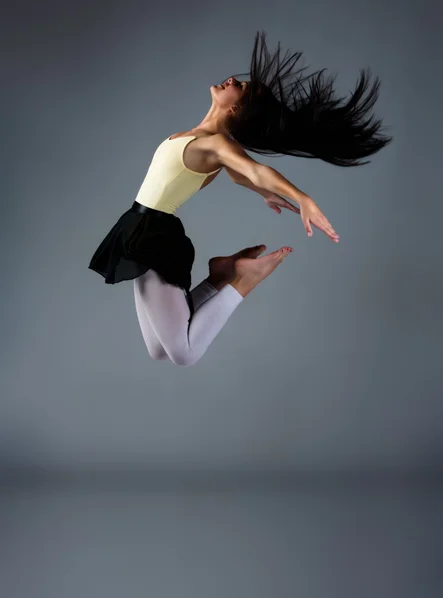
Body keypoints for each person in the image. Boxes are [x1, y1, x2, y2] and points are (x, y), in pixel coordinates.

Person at [88, 31, 392, 367]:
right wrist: (264, 194)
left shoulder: (217, 144)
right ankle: (222, 274)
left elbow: (255, 169)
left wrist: (302, 197)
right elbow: (237, 174)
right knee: (158, 350)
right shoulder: (202, 138)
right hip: (139, 227)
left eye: (242, 88)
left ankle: (243, 279)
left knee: (183, 354)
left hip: (152, 234)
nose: (233, 80)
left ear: (235, 107)